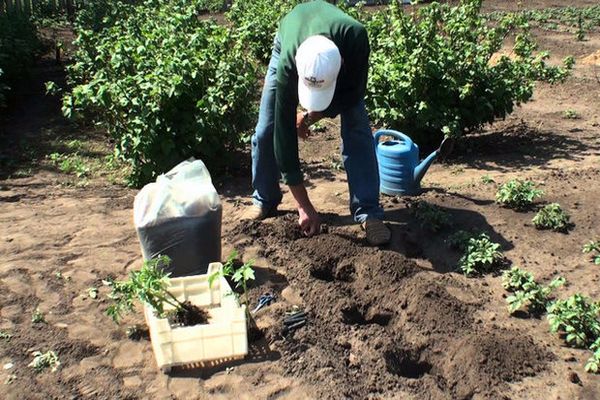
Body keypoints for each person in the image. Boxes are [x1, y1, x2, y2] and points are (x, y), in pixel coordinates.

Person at [245, 0, 391, 246]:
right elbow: (283, 135)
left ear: (340, 67)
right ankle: (265, 199)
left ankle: (368, 210)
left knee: (358, 129)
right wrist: (304, 206)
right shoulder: (289, 64)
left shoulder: (356, 39)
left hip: (341, 45)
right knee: (266, 130)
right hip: (289, 39)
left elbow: (352, 94)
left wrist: (310, 116)